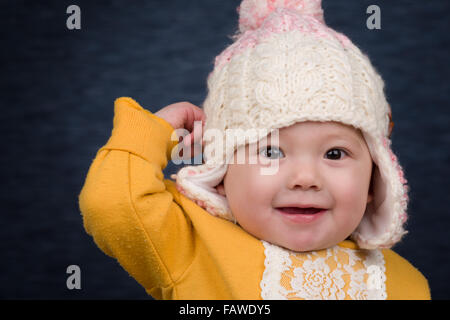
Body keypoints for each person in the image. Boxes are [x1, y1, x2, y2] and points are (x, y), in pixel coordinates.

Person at [78, 0, 431, 299]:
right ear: (221, 174)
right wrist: (156, 130)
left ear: (375, 180)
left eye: (335, 154)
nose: (305, 179)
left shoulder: (407, 284)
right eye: (271, 152)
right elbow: (111, 205)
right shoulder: (191, 244)